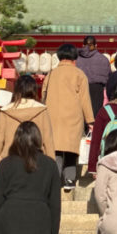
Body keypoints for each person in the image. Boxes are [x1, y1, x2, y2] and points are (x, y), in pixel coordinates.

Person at [41, 43, 94, 192]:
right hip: (73, 117)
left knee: (56, 149)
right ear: (74, 58)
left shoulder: (50, 74)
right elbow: (85, 99)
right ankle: (70, 179)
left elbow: (43, 96)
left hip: (52, 116)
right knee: (71, 149)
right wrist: (90, 120)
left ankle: (55, 177)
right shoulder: (79, 74)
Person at [0, 75, 55, 178]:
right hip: (37, 161)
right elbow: (48, 140)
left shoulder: (6, 111)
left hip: (10, 161)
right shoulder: (42, 110)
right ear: (33, 89)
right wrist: (52, 164)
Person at [76, 35, 111, 118]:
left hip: (80, 90)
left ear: (83, 45)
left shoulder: (76, 59)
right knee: (95, 117)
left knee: (81, 116)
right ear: (96, 45)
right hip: (97, 91)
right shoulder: (103, 59)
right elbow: (108, 77)